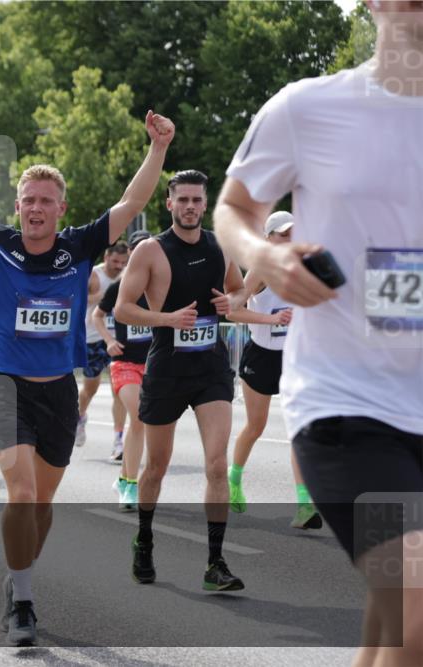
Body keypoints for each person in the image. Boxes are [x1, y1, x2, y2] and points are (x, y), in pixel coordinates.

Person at [0, 110, 173, 646]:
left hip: (58, 391)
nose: (37, 208)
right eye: (29, 200)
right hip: (3, 384)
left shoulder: (79, 247)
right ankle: (23, 601)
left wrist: (157, 149)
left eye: (47, 201)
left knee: (41, 506)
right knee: (20, 494)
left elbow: (132, 204)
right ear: (17, 206)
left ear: (60, 209)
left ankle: (16, 576)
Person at [213, 3, 422, 662]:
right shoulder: (308, 109)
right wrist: (265, 256)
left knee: (393, 621)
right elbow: (236, 208)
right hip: (349, 406)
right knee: (413, 603)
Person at [115, 169, 246, 592]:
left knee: (215, 465)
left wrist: (234, 301)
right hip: (167, 369)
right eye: (182, 200)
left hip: (210, 370)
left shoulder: (220, 246)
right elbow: (123, 309)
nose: (190, 206)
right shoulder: (151, 251)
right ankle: (145, 539)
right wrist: (167, 319)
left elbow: (239, 293)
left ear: (205, 204)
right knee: (156, 467)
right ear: (169, 204)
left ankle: (215, 562)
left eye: (197, 200)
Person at [224, 212, 321, 530]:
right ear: (268, 239)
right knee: (256, 425)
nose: (288, 240)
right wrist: (271, 319)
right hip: (261, 356)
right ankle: (234, 480)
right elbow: (234, 311)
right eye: (282, 235)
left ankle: (305, 506)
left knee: (300, 431)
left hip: (293, 358)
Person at [93, 230, 153, 511]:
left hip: (154, 364)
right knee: (138, 417)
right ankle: (129, 485)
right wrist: (108, 340)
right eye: (139, 249)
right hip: (125, 363)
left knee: (147, 425)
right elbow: (97, 315)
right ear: (131, 253)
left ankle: (123, 479)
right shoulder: (120, 286)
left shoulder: (162, 285)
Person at [77, 242, 130, 458]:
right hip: (93, 338)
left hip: (117, 338)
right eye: (115, 262)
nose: (119, 266)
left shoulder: (128, 274)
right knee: (91, 388)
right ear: (106, 257)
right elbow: (75, 301)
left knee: (120, 390)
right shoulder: (93, 275)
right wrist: (104, 296)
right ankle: (80, 416)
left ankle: (118, 441)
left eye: (123, 263)